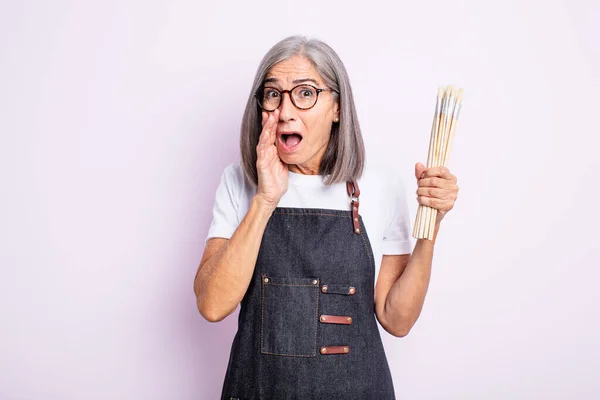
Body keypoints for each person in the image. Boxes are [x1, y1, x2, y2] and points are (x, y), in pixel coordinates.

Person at [194, 35, 459, 399]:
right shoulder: (239, 181)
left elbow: (397, 320)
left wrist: (431, 225)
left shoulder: (380, 186)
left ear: (337, 107)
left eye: (305, 93)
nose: (285, 111)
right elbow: (212, 304)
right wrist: (266, 198)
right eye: (273, 94)